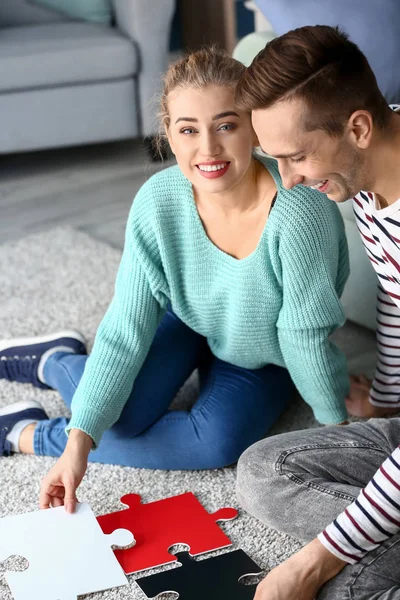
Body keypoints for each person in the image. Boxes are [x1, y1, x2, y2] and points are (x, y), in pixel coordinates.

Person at [0, 47, 349, 516]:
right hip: (187, 317)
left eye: (226, 125)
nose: (208, 149)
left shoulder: (301, 213)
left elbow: (303, 336)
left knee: (216, 444)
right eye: (188, 130)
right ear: (168, 133)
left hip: (264, 355)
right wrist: (79, 438)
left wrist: (340, 433)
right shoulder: (157, 202)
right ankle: (59, 363)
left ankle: (26, 428)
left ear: (254, 127)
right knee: (115, 422)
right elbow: (126, 329)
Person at [235, 25, 400, 599]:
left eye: (297, 157)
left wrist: (314, 562)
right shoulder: (372, 175)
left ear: (358, 127)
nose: (290, 181)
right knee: (261, 473)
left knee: (335, 584)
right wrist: (386, 396)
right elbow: (396, 298)